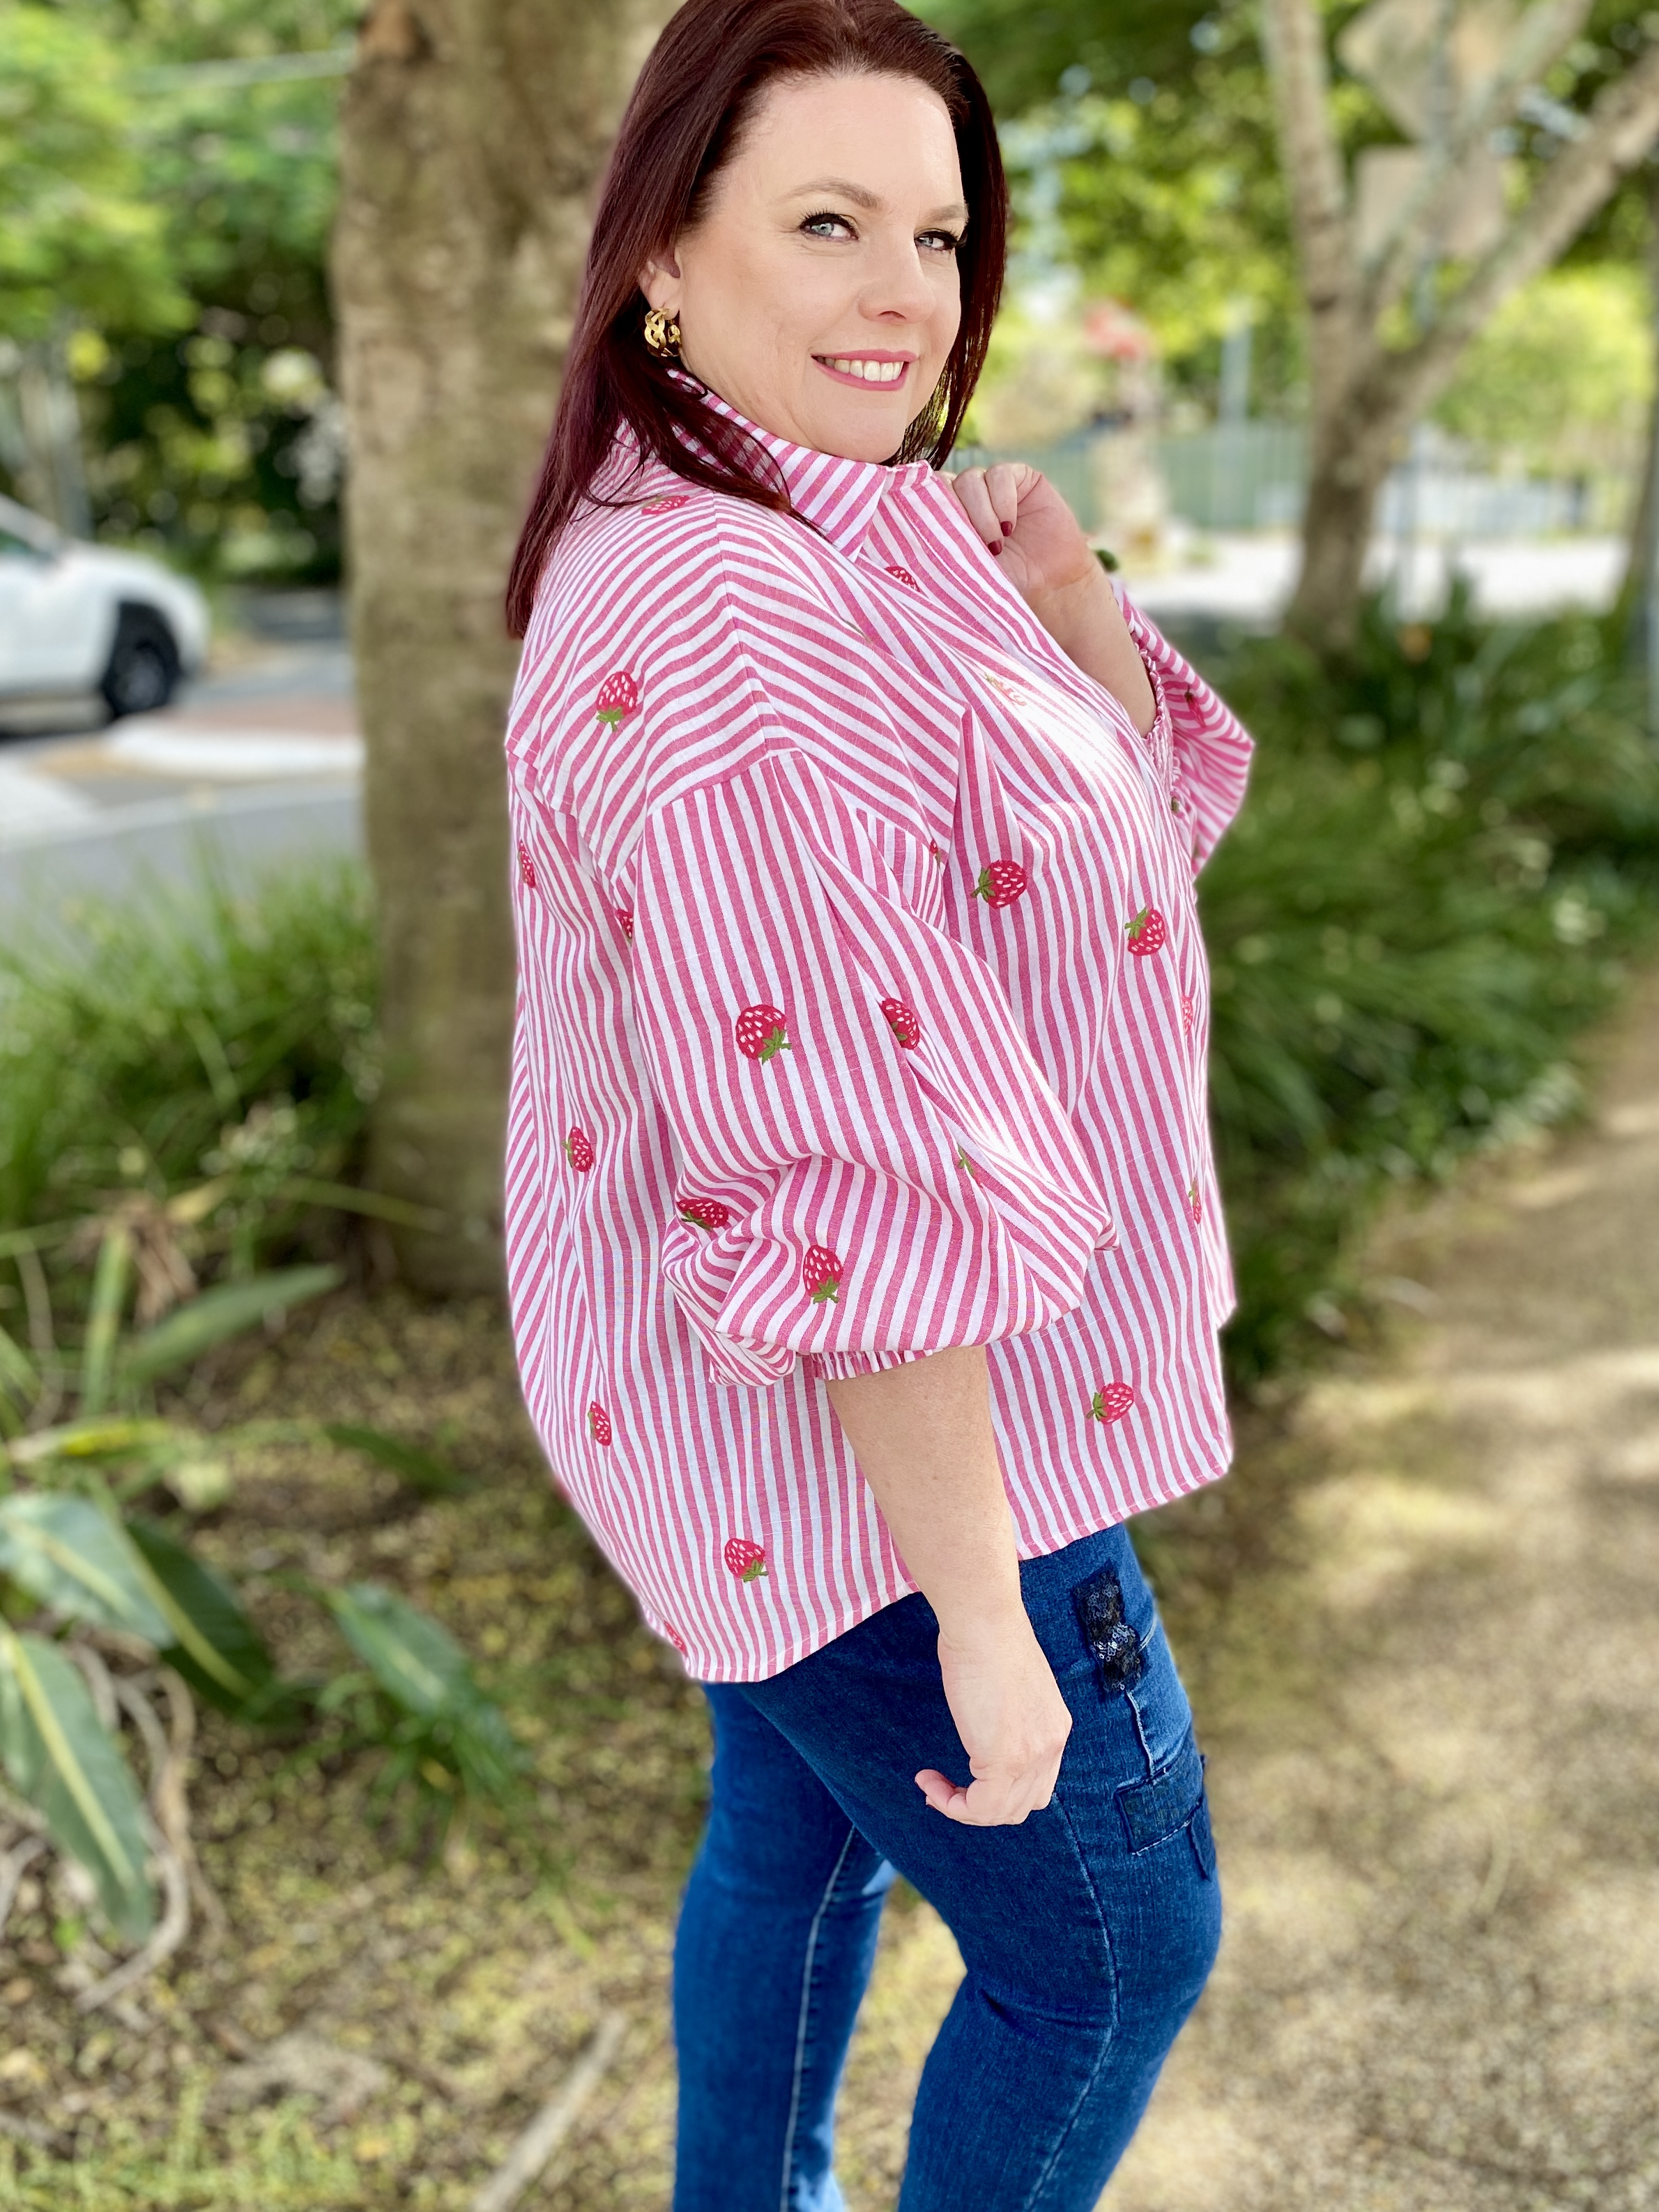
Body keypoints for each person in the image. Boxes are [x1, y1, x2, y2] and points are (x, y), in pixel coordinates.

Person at [502, 2, 1252, 2204]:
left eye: (934, 232)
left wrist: (1061, 607)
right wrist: (984, 1619)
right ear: (663, 248)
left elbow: (1091, 884)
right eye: (826, 222)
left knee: (792, 1837)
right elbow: (855, 1180)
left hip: (758, 1422)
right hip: (900, 1445)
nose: (904, 291)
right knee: (1109, 1953)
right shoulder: (736, 616)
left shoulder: (813, 516)